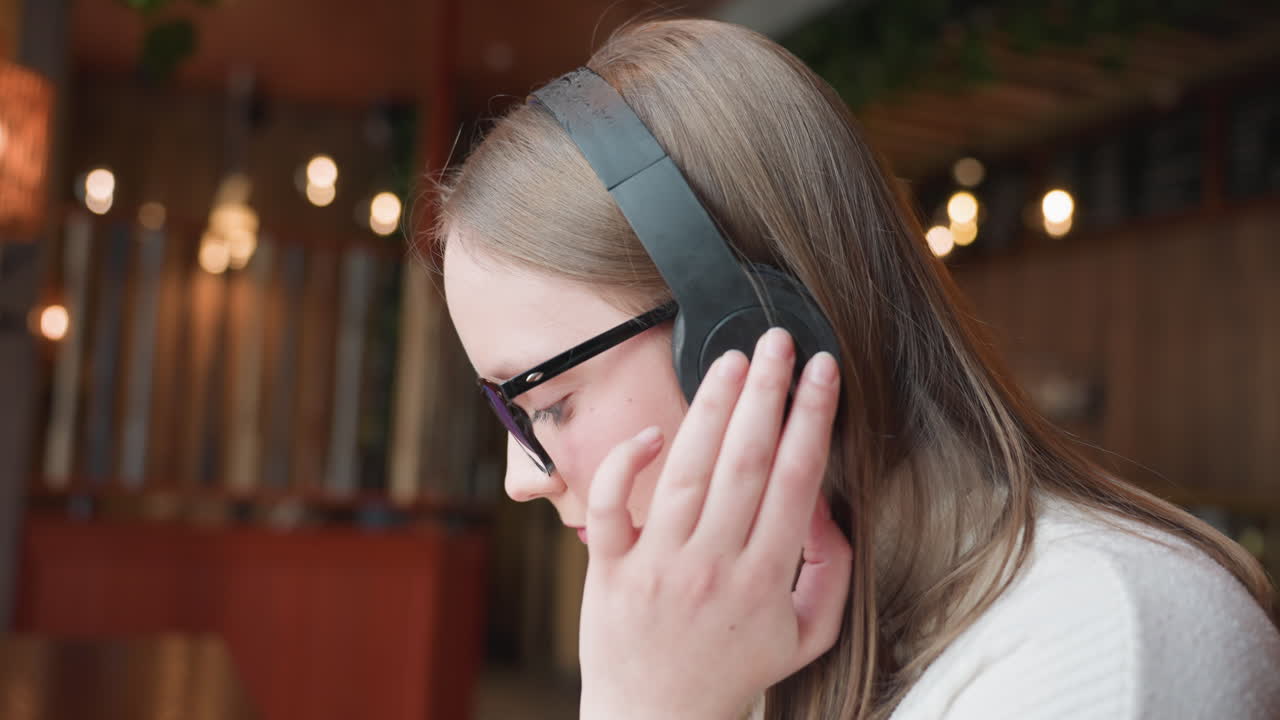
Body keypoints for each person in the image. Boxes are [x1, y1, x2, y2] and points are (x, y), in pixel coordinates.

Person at [430, 17, 1280, 720]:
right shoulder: (736, 641)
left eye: (546, 404)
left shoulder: (1103, 644)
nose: (520, 480)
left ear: (750, 332)